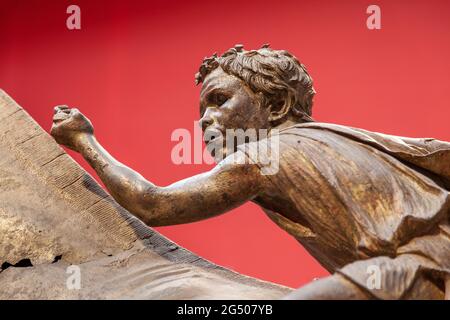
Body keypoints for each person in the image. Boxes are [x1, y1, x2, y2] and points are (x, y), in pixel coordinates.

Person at [51, 44, 450, 299]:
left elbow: (153, 204)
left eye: (220, 100)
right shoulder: (352, 137)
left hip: (417, 271)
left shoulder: (265, 154)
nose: (206, 120)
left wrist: (84, 140)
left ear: (275, 107)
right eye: (201, 111)